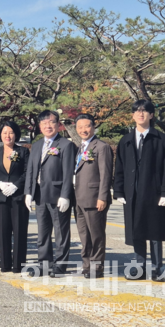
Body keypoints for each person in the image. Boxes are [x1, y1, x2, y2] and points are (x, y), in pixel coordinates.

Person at [114, 100, 165, 281]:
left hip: (154, 193)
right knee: (136, 231)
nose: (141, 114)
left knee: (155, 232)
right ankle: (139, 267)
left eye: (145, 111)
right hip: (132, 193)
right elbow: (120, 168)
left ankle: (157, 268)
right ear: (132, 116)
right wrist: (118, 191)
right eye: (137, 111)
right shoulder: (125, 140)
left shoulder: (161, 139)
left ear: (151, 115)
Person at [24, 110, 77, 277]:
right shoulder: (37, 145)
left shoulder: (66, 145)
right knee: (43, 232)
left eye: (52, 122)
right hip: (39, 194)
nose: (48, 125)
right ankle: (43, 264)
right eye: (44, 123)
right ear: (40, 126)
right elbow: (31, 171)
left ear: (58, 124)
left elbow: (69, 172)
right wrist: (28, 192)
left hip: (57, 194)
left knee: (61, 232)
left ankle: (60, 265)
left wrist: (65, 195)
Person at [72, 114, 113, 279]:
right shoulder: (79, 147)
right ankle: (86, 265)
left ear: (94, 127)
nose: (84, 130)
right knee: (84, 234)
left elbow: (106, 174)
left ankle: (96, 267)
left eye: (87, 126)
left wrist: (102, 197)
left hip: (94, 198)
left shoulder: (101, 147)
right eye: (80, 127)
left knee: (96, 234)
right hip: (78, 198)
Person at [0, 120, 30, 273]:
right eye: (4, 132)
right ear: (0, 135)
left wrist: (15, 185)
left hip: (18, 197)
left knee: (19, 231)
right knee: (3, 231)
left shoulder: (23, 151)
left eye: (11, 132)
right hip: (1, 197)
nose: (8, 135)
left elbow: (27, 172)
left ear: (16, 134)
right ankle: (5, 263)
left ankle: (19, 265)